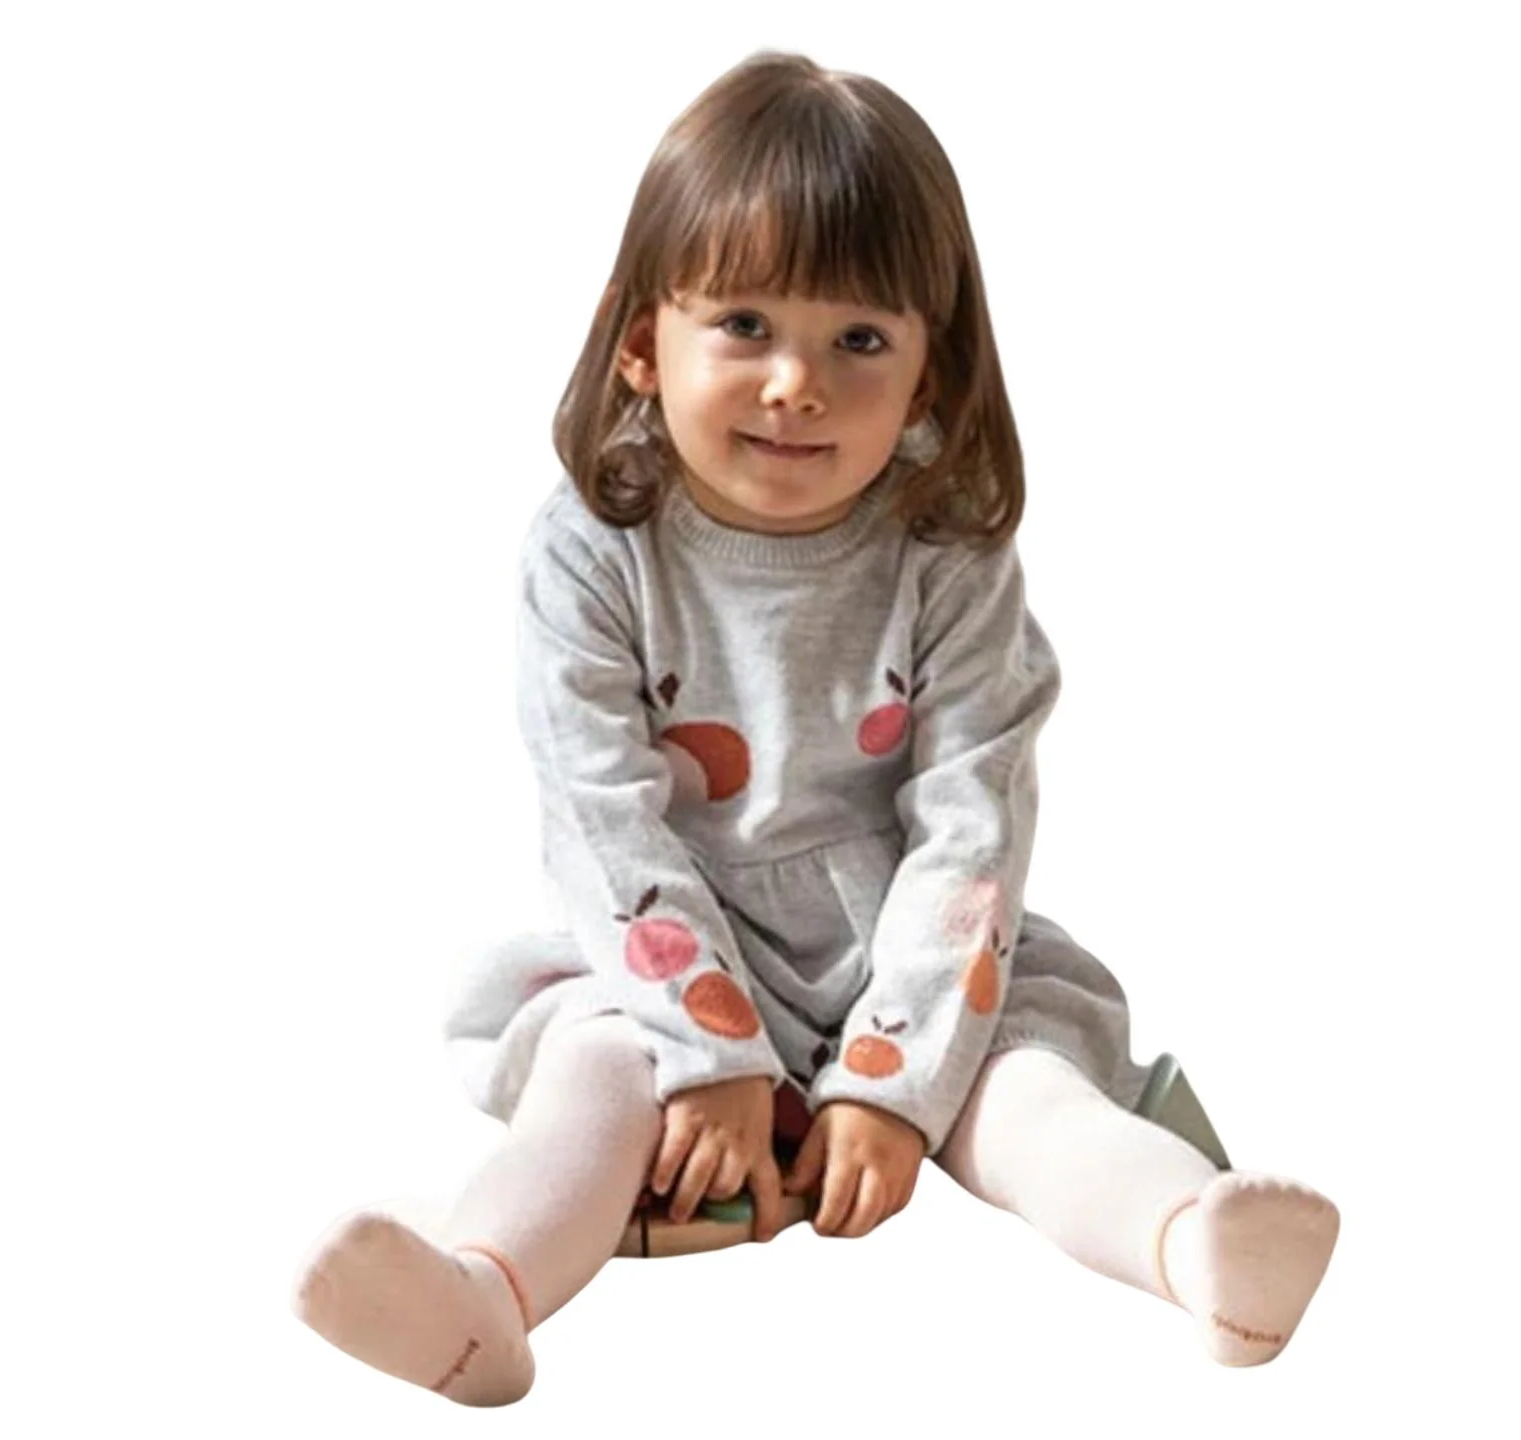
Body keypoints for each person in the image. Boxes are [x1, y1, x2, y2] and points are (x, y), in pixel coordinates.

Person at [289, 49, 1340, 1406]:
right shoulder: (592, 552)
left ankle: (1196, 1249)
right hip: (667, 947)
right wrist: (712, 1052)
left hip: (913, 943)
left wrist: (894, 1081)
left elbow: (973, 821)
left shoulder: (945, 551)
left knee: (1027, 1096)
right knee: (593, 1086)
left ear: (928, 372)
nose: (798, 383)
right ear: (640, 341)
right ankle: (481, 1295)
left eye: (860, 341)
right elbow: (602, 819)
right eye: (744, 324)